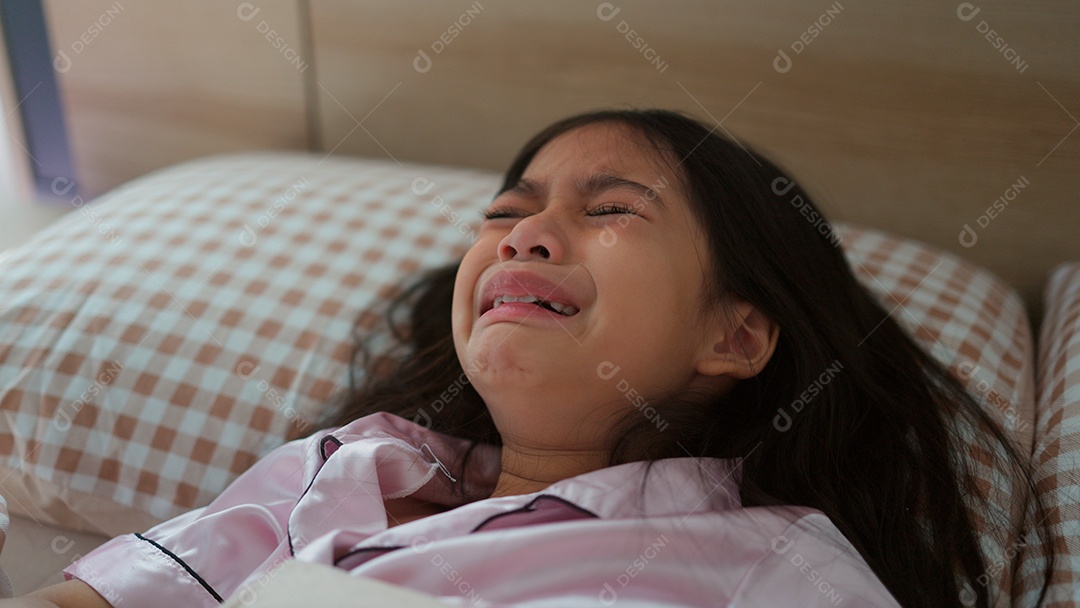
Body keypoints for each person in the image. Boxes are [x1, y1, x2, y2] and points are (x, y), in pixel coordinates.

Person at [5, 109, 1049, 607]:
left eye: (608, 211)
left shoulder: (775, 567)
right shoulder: (347, 466)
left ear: (734, 334)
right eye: (507, 213)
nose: (525, 234)